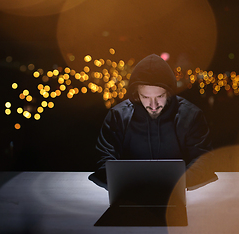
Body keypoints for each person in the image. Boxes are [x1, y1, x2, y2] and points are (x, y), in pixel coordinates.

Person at [89, 54, 217, 189]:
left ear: (169, 93)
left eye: (160, 96)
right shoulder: (118, 116)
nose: (153, 105)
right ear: (136, 94)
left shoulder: (191, 116)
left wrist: (173, 185)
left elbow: (204, 160)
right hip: (130, 195)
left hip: (179, 194)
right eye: (145, 97)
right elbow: (103, 159)